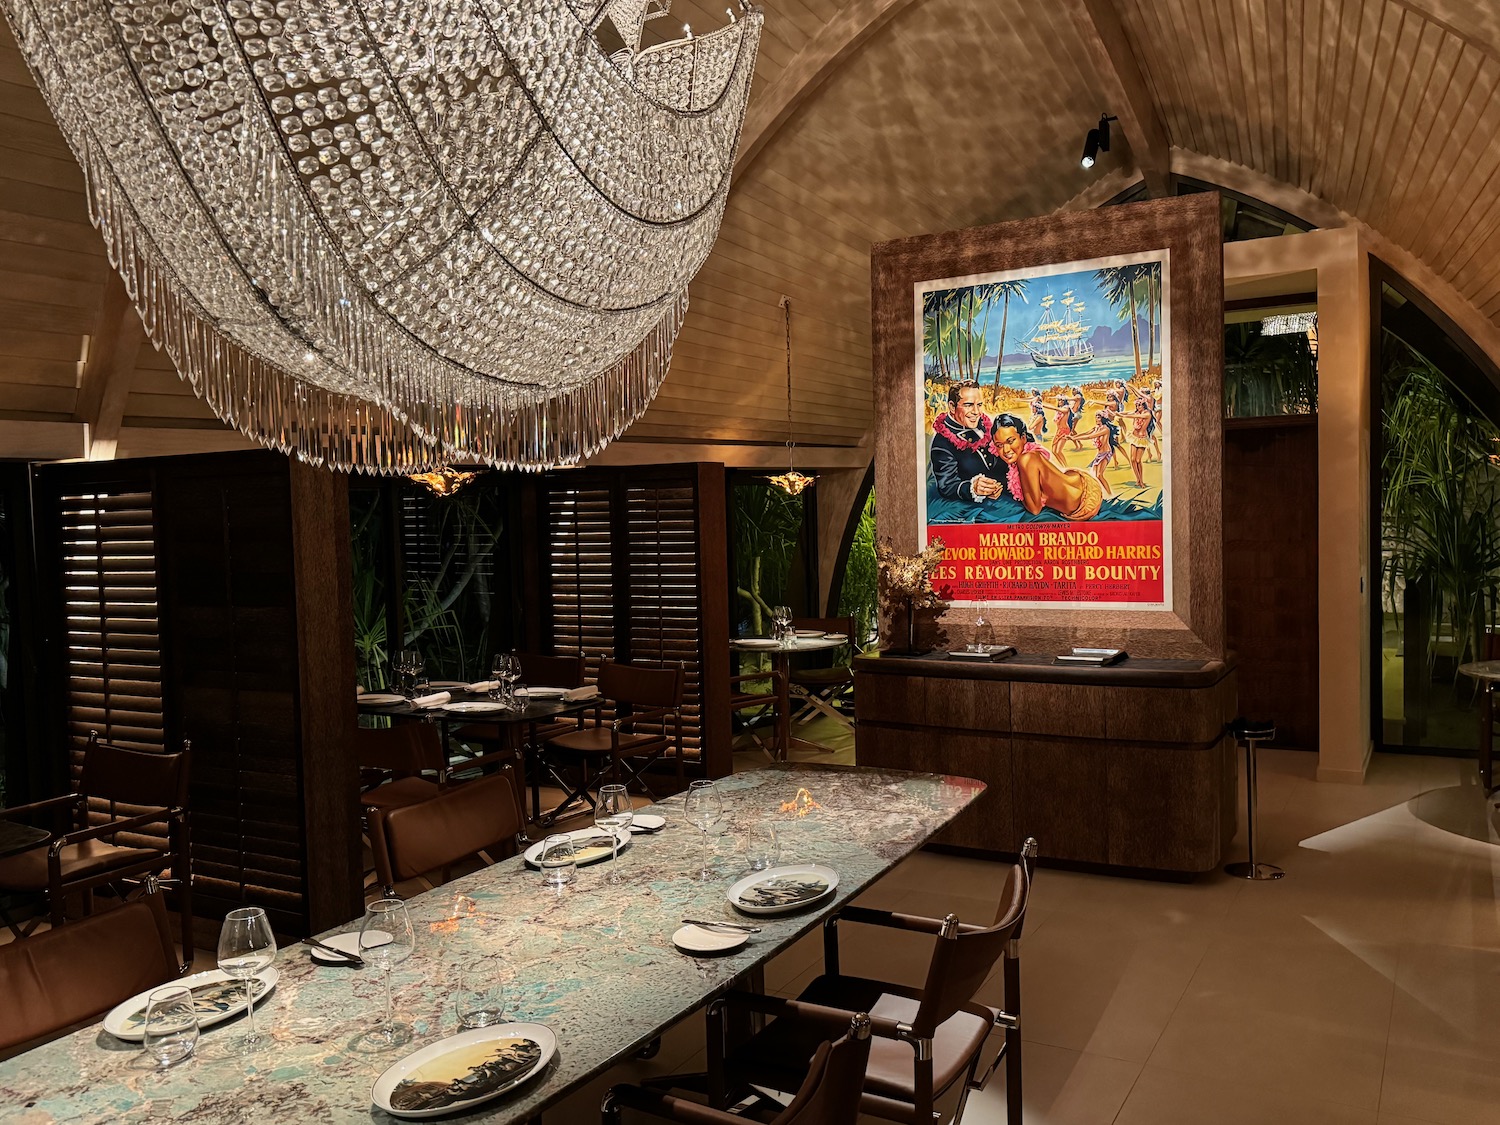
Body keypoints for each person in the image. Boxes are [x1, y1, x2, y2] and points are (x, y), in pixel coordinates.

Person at [990, 413, 1103, 521]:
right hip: (1078, 482)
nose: (1006, 450)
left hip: (1083, 503)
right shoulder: (1029, 456)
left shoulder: (1025, 459)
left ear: (1023, 438)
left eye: (1010, 441)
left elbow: (1035, 509)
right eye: (999, 445)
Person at [929, 381, 1004, 502]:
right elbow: (947, 486)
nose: (976, 412)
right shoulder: (941, 443)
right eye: (968, 405)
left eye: (979, 405)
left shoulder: (986, 425)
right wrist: (972, 488)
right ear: (952, 407)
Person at [1071, 410, 1119, 497]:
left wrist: (1074, 439)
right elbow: (1086, 433)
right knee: (1094, 475)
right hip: (1099, 454)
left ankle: (1110, 494)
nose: (1096, 419)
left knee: (1099, 475)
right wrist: (1073, 437)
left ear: (1103, 418)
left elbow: (1090, 436)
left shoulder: (1105, 429)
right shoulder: (1096, 428)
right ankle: (1100, 494)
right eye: (1096, 417)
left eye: (1098, 417)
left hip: (1106, 453)